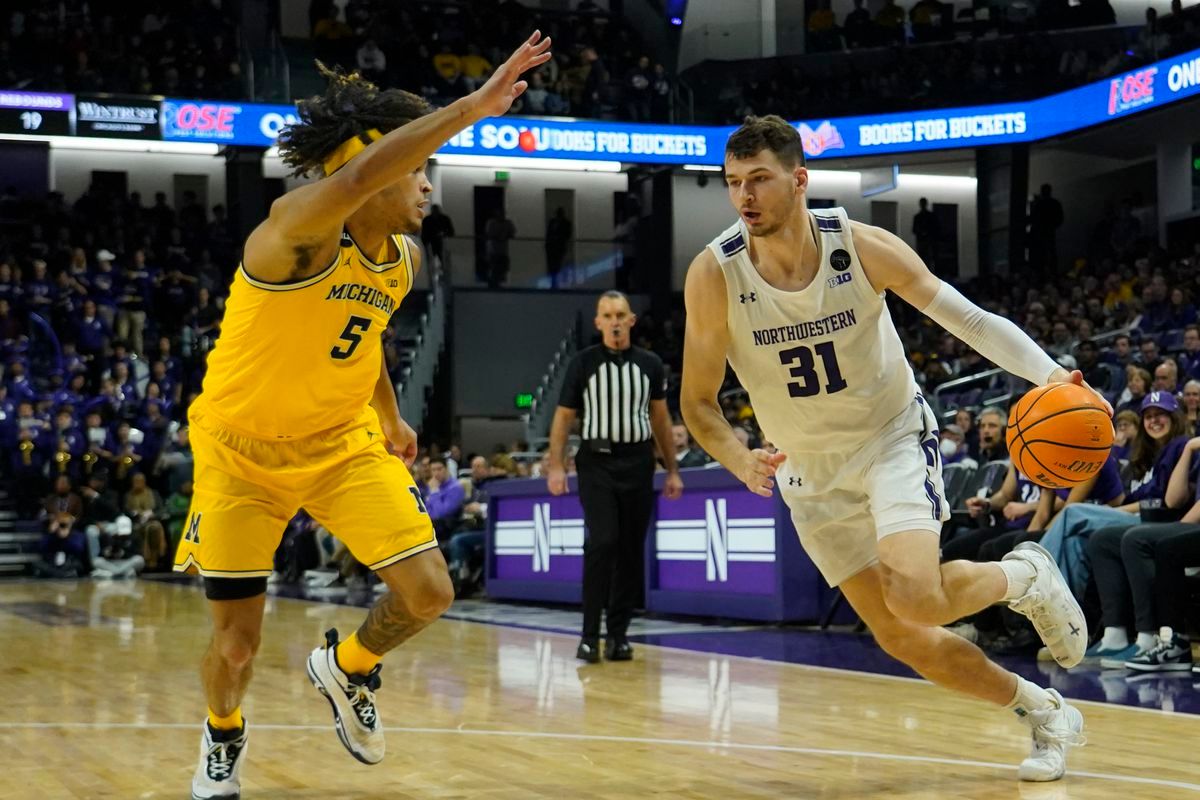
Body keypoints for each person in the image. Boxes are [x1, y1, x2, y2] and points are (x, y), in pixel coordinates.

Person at [170, 34, 552, 799]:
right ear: (367, 173)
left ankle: (346, 668)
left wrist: (388, 410)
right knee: (237, 647)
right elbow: (364, 174)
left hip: (340, 444)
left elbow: (363, 333)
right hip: (239, 454)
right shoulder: (296, 235)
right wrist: (474, 107)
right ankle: (221, 734)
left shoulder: (404, 263)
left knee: (430, 592)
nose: (427, 188)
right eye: (416, 171)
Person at [680, 115, 1097, 782]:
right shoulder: (714, 274)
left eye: (759, 178)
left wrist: (1050, 374)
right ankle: (1042, 709)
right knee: (903, 636)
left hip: (890, 438)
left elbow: (966, 317)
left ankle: (1026, 577)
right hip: (809, 474)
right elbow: (697, 402)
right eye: (733, 183)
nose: (744, 196)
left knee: (916, 596)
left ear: (799, 179)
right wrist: (738, 458)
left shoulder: (862, 246)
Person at [547, 290, 684, 663]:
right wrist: (556, 464)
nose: (615, 321)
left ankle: (619, 636)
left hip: (638, 461)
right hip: (597, 461)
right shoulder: (583, 363)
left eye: (621, 314)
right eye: (607, 316)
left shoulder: (651, 364)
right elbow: (563, 417)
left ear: (632, 320)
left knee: (629, 549)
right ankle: (590, 635)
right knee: (603, 541)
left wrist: (671, 469)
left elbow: (660, 418)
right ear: (598, 323)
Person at [545, 206, 573, 284]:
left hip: (560, 246)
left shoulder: (566, 223)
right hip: (551, 246)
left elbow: (568, 234)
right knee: (552, 264)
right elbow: (548, 233)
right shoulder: (552, 222)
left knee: (558, 263)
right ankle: (553, 280)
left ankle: (557, 280)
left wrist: (559, 238)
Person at [912, 198, 939, 269]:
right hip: (923, 241)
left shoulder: (929, 216)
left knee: (928, 259)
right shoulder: (918, 217)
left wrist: (925, 233)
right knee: (923, 259)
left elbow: (935, 228)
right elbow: (914, 230)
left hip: (928, 241)